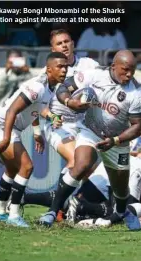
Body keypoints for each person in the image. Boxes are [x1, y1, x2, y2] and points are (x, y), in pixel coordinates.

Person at [38, 50, 141, 229]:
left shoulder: (137, 92)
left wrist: (115, 140)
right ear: (114, 66)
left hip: (117, 141)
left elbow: (138, 126)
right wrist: (69, 102)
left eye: (132, 71)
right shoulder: (94, 76)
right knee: (81, 165)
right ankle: (52, 211)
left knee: (120, 188)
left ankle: (121, 211)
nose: (129, 75)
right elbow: (64, 88)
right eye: (125, 70)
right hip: (90, 130)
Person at [0, 52, 68, 227]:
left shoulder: (50, 87)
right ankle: (14, 215)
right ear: (49, 69)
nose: (64, 70)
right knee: (26, 166)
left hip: (11, 127)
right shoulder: (38, 87)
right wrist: (6, 139)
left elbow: (36, 109)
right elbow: (11, 111)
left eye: (66, 67)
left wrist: (39, 130)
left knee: (11, 169)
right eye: (60, 67)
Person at [41, 29, 99, 178]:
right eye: (59, 44)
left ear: (73, 44)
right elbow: (40, 107)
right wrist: (52, 117)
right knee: (76, 161)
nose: (64, 46)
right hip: (60, 124)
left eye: (66, 42)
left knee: (91, 167)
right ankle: (59, 201)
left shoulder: (90, 65)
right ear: (53, 49)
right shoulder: (47, 74)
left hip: (86, 124)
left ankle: (74, 200)